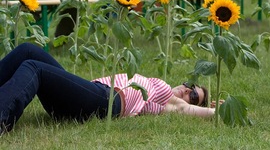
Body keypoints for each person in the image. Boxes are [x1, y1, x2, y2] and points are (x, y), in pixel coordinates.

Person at [0, 43, 217, 135]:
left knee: (34, 68)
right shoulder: (164, 88)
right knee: (28, 50)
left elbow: (183, 111)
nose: (187, 91)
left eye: (194, 96)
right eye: (190, 86)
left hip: (106, 101)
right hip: (90, 94)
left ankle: (2, 117)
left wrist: (216, 112)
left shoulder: (171, 102)